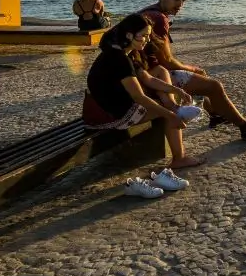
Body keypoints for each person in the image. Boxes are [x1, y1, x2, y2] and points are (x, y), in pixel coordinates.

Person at [140, 0, 246, 140]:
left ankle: (216, 114)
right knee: (214, 86)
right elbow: (167, 61)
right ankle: (245, 128)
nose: (180, 4)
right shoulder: (159, 19)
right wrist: (194, 69)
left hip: (142, 72)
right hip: (148, 77)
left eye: (183, 0)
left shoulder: (149, 12)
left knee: (202, 79)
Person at [82, 14, 201, 193]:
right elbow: (138, 96)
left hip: (107, 107)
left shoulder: (125, 53)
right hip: (105, 115)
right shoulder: (119, 59)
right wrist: (169, 114)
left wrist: (176, 90)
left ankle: (177, 112)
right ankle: (179, 156)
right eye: (144, 35)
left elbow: (149, 79)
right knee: (165, 112)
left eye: (148, 35)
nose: (147, 40)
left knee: (165, 106)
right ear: (129, 35)